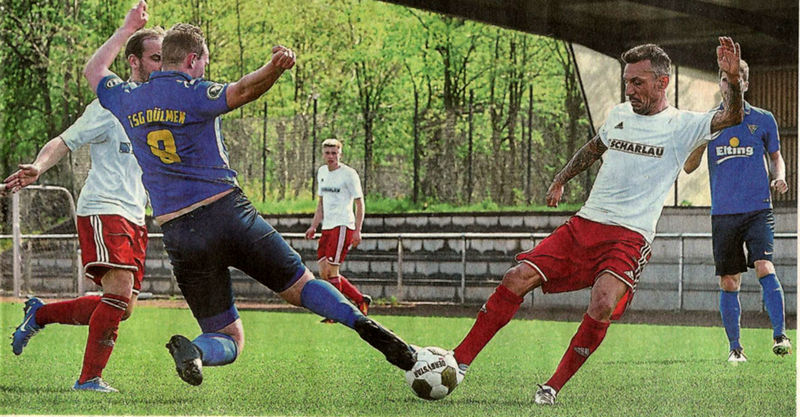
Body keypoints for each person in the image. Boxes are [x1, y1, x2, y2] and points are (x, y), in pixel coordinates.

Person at [83, 0, 414, 386]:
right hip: (227, 213)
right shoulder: (194, 91)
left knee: (229, 338)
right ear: (192, 59)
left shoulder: (128, 98)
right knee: (304, 287)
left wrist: (125, 30)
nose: (205, 67)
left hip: (179, 233)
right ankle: (360, 322)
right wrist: (275, 68)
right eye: (204, 60)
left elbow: (93, 70)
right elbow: (243, 90)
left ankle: (198, 350)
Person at [451, 37, 745, 405]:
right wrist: (561, 178)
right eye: (627, 81)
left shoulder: (683, 125)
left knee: (603, 301)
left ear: (662, 82)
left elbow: (731, 116)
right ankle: (457, 363)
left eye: (638, 82)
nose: (630, 89)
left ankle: (552, 386)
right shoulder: (618, 114)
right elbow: (594, 147)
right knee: (516, 277)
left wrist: (732, 80)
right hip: (585, 224)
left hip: (630, 236)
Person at [4, 23, 164, 392]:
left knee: (122, 307)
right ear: (134, 62)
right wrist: (39, 167)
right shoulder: (111, 103)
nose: (162, 65)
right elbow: (65, 140)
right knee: (119, 292)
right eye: (156, 58)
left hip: (135, 216)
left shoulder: (159, 110)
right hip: (103, 207)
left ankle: (40, 313)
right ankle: (89, 379)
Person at [683, 59, 791, 362]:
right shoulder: (708, 120)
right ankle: (735, 349)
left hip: (758, 209)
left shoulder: (763, 119)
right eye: (725, 80)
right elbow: (689, 167)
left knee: (764, 267)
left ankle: (780, 335)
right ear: (720, 84)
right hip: (724, 214)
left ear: (746, 84)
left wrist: (778, 176)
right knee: (729, 281)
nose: (730, 85)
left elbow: (776, 157)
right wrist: (705, 137)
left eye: (736, 80)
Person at [305, 138, 371, 322]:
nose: (331, 156)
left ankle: (335, 313)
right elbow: (321, 202)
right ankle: (360, 299)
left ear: (340, 154)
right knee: (324, 272)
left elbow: (360, 203)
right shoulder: (323, 172)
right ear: (323, 154)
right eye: (328, 153)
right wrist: (314, 225)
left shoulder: (349, 174)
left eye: (334, 153)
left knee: (332, 273)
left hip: (343, 225)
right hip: (327, 227)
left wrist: (358, 230)